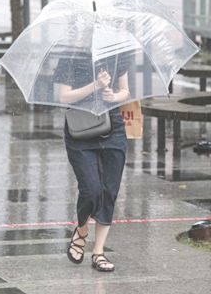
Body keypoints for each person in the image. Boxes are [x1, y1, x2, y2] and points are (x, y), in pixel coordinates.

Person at [54, 54, 130, 272]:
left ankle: (98, 252)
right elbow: (64, 97)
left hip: (112, 126)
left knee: (109, 190)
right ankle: (81, 229)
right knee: (91, 189)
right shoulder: (69, 58)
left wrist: (113, 96)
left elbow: (125, 91)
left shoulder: (116, 56)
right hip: (80, 128)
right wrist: (95, 85)